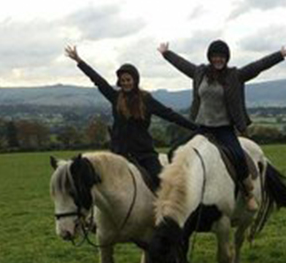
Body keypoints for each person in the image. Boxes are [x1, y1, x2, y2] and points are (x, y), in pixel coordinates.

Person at [158, 39, 286, 211]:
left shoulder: (234, 76)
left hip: (224, 128)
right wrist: (166, 54)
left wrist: (280, 55)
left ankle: (248, 193)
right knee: (174, 151)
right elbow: (182, 65)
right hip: (202, 128)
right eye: (215, 56)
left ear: (226, 58)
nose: (218, 59)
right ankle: (180, 189)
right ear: (210, 57)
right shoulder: (200, 73)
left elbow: (257, 66)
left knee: (238, 156)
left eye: (222, 56)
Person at [64, 45, 199, 191]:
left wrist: (196, 128)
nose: (126, 83)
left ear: (135, 80)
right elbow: (98, 81)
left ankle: (165, 211)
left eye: (128, 79)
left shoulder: (146, 100)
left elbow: (169, 115)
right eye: (123, 80)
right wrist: (79, 61)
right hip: (119, 153)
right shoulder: (115, 98)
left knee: (161, 182)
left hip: (144, 153)